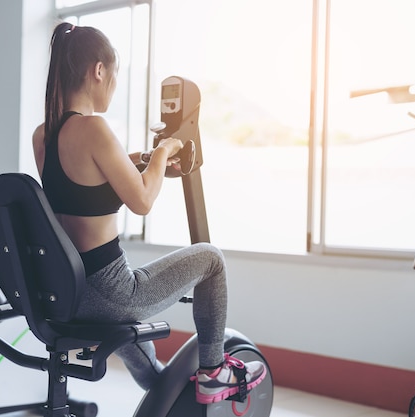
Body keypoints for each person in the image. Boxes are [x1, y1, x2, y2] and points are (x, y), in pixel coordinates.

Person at [32, 22, 266, 404]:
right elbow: (141, 200)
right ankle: (213, 371)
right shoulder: (95, 128)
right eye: (115, 75)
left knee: (146, 359)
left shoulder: (43, 134)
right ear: (99, 71)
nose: (113, 84)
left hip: (69, 293)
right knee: (211, 258)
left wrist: (139, 158)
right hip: (112, 293)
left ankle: (162, 389)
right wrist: (161, 153)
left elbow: (81, 178)